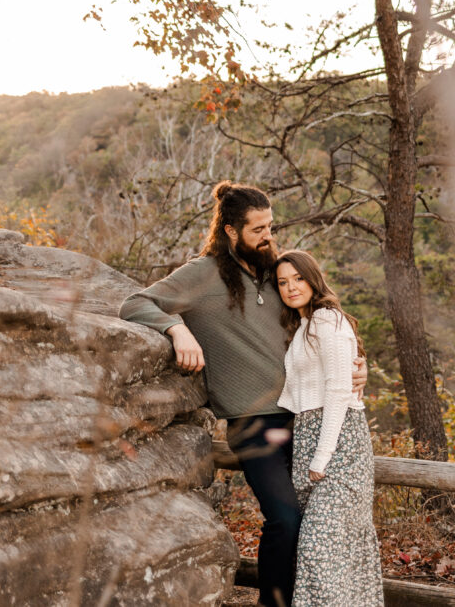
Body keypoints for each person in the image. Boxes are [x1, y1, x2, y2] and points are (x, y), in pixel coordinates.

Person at [118, 181, 366, 607]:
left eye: (270, 225)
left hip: (303, 418)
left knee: (315, 524)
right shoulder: (203, 274)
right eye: (258, 229)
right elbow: (135, 304)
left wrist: (360, 368)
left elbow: (324, 327)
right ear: (231, 230)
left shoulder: (277, 273)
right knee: (284, 519)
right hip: (252, 425)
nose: (268, 235)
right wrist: (177, 329)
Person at [274, 250, 383, 607]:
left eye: (298, 279)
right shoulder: (303, 325)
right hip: (308, 437)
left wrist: (322, 455)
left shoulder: (327, 320)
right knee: (330, 555)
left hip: (339, 445)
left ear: (313, 278)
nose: (291, 288)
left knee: (318, 550)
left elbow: (338, 391)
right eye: (283, 282)